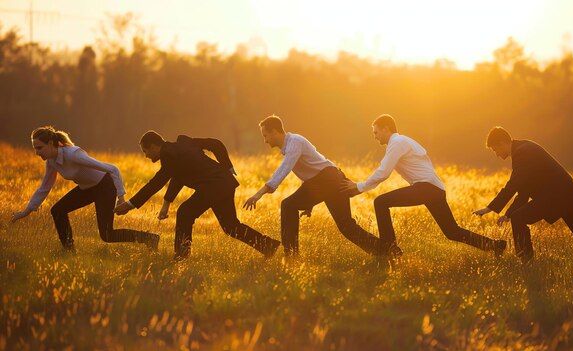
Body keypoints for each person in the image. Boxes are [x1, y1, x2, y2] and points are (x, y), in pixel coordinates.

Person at [343, 115, 506, 258]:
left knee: (380, 202)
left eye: (376, 132)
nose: (375, 137)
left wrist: (358, 187)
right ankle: (495, 245)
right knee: (451, 231)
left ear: (386, 129)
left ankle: (390, 249)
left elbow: (383, 172)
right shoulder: (403, 141)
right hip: (434, 189)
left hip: (426, 188)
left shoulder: (397, 142)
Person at [114, 131, 280, 259]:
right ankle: (268, 246)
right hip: (223, 183)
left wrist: (130, 204)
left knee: (185, 212)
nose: (146, 156)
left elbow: (156, 183)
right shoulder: (181, 145)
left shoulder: (169, 155)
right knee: (230, 226)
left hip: (214, 185)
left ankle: (181, 256)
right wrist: (226, 169)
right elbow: (179, 177)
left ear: (154, 146)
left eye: (146, 151)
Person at [473, 126, 573, 268]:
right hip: (563, 194)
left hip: (557, 196)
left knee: (520, 218)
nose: (497, 154)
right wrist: (508, 214)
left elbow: (514, 184)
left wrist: (490, 208)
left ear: (502, 143)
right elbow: (524, 189)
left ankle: (527, 263)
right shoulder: (522, 148)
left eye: (495, 149)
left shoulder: (522, 153)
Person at [243, 115, 385, 257]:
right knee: (346, 226)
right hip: (330, 178)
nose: (265, 140)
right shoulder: (291, 145)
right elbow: (311, 170)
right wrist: (309, 204)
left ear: (275, 131)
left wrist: (258, 194)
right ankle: (387, 251)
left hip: (327, 179)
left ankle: (291, 256)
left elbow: (283, 170)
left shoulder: (294, 142)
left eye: (266, 135)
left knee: (288, 205)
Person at [11, 126, 159, 251]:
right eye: (35, 149)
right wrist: (26, 211)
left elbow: (113, 169)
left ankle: (149, 238)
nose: (37, 153)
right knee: (57, 210)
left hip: (104, 186)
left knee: (107, 235)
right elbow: (44, 187)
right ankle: (69, 250)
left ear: (51, 143)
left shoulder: (73, 154)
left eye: (39, 148)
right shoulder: (51, 161)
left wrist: (121, 198)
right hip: (87, 189)